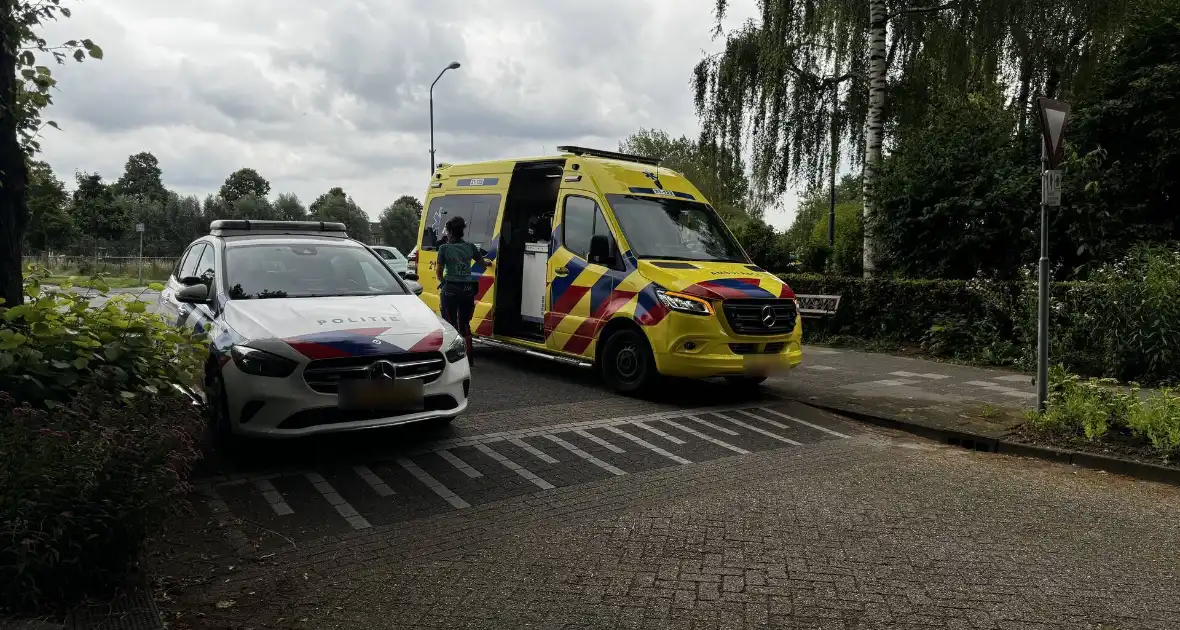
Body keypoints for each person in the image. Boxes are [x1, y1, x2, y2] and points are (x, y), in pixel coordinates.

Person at [435, 216, 491, 363]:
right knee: (465, 324)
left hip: (450, 289)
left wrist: (444, 282)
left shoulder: (444, 248)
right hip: (467, 289)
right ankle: (469, 359)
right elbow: (482, 264)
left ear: (450, 232)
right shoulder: (470, 247)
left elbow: (439, 272)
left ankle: (454, 360)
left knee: (450, 323)